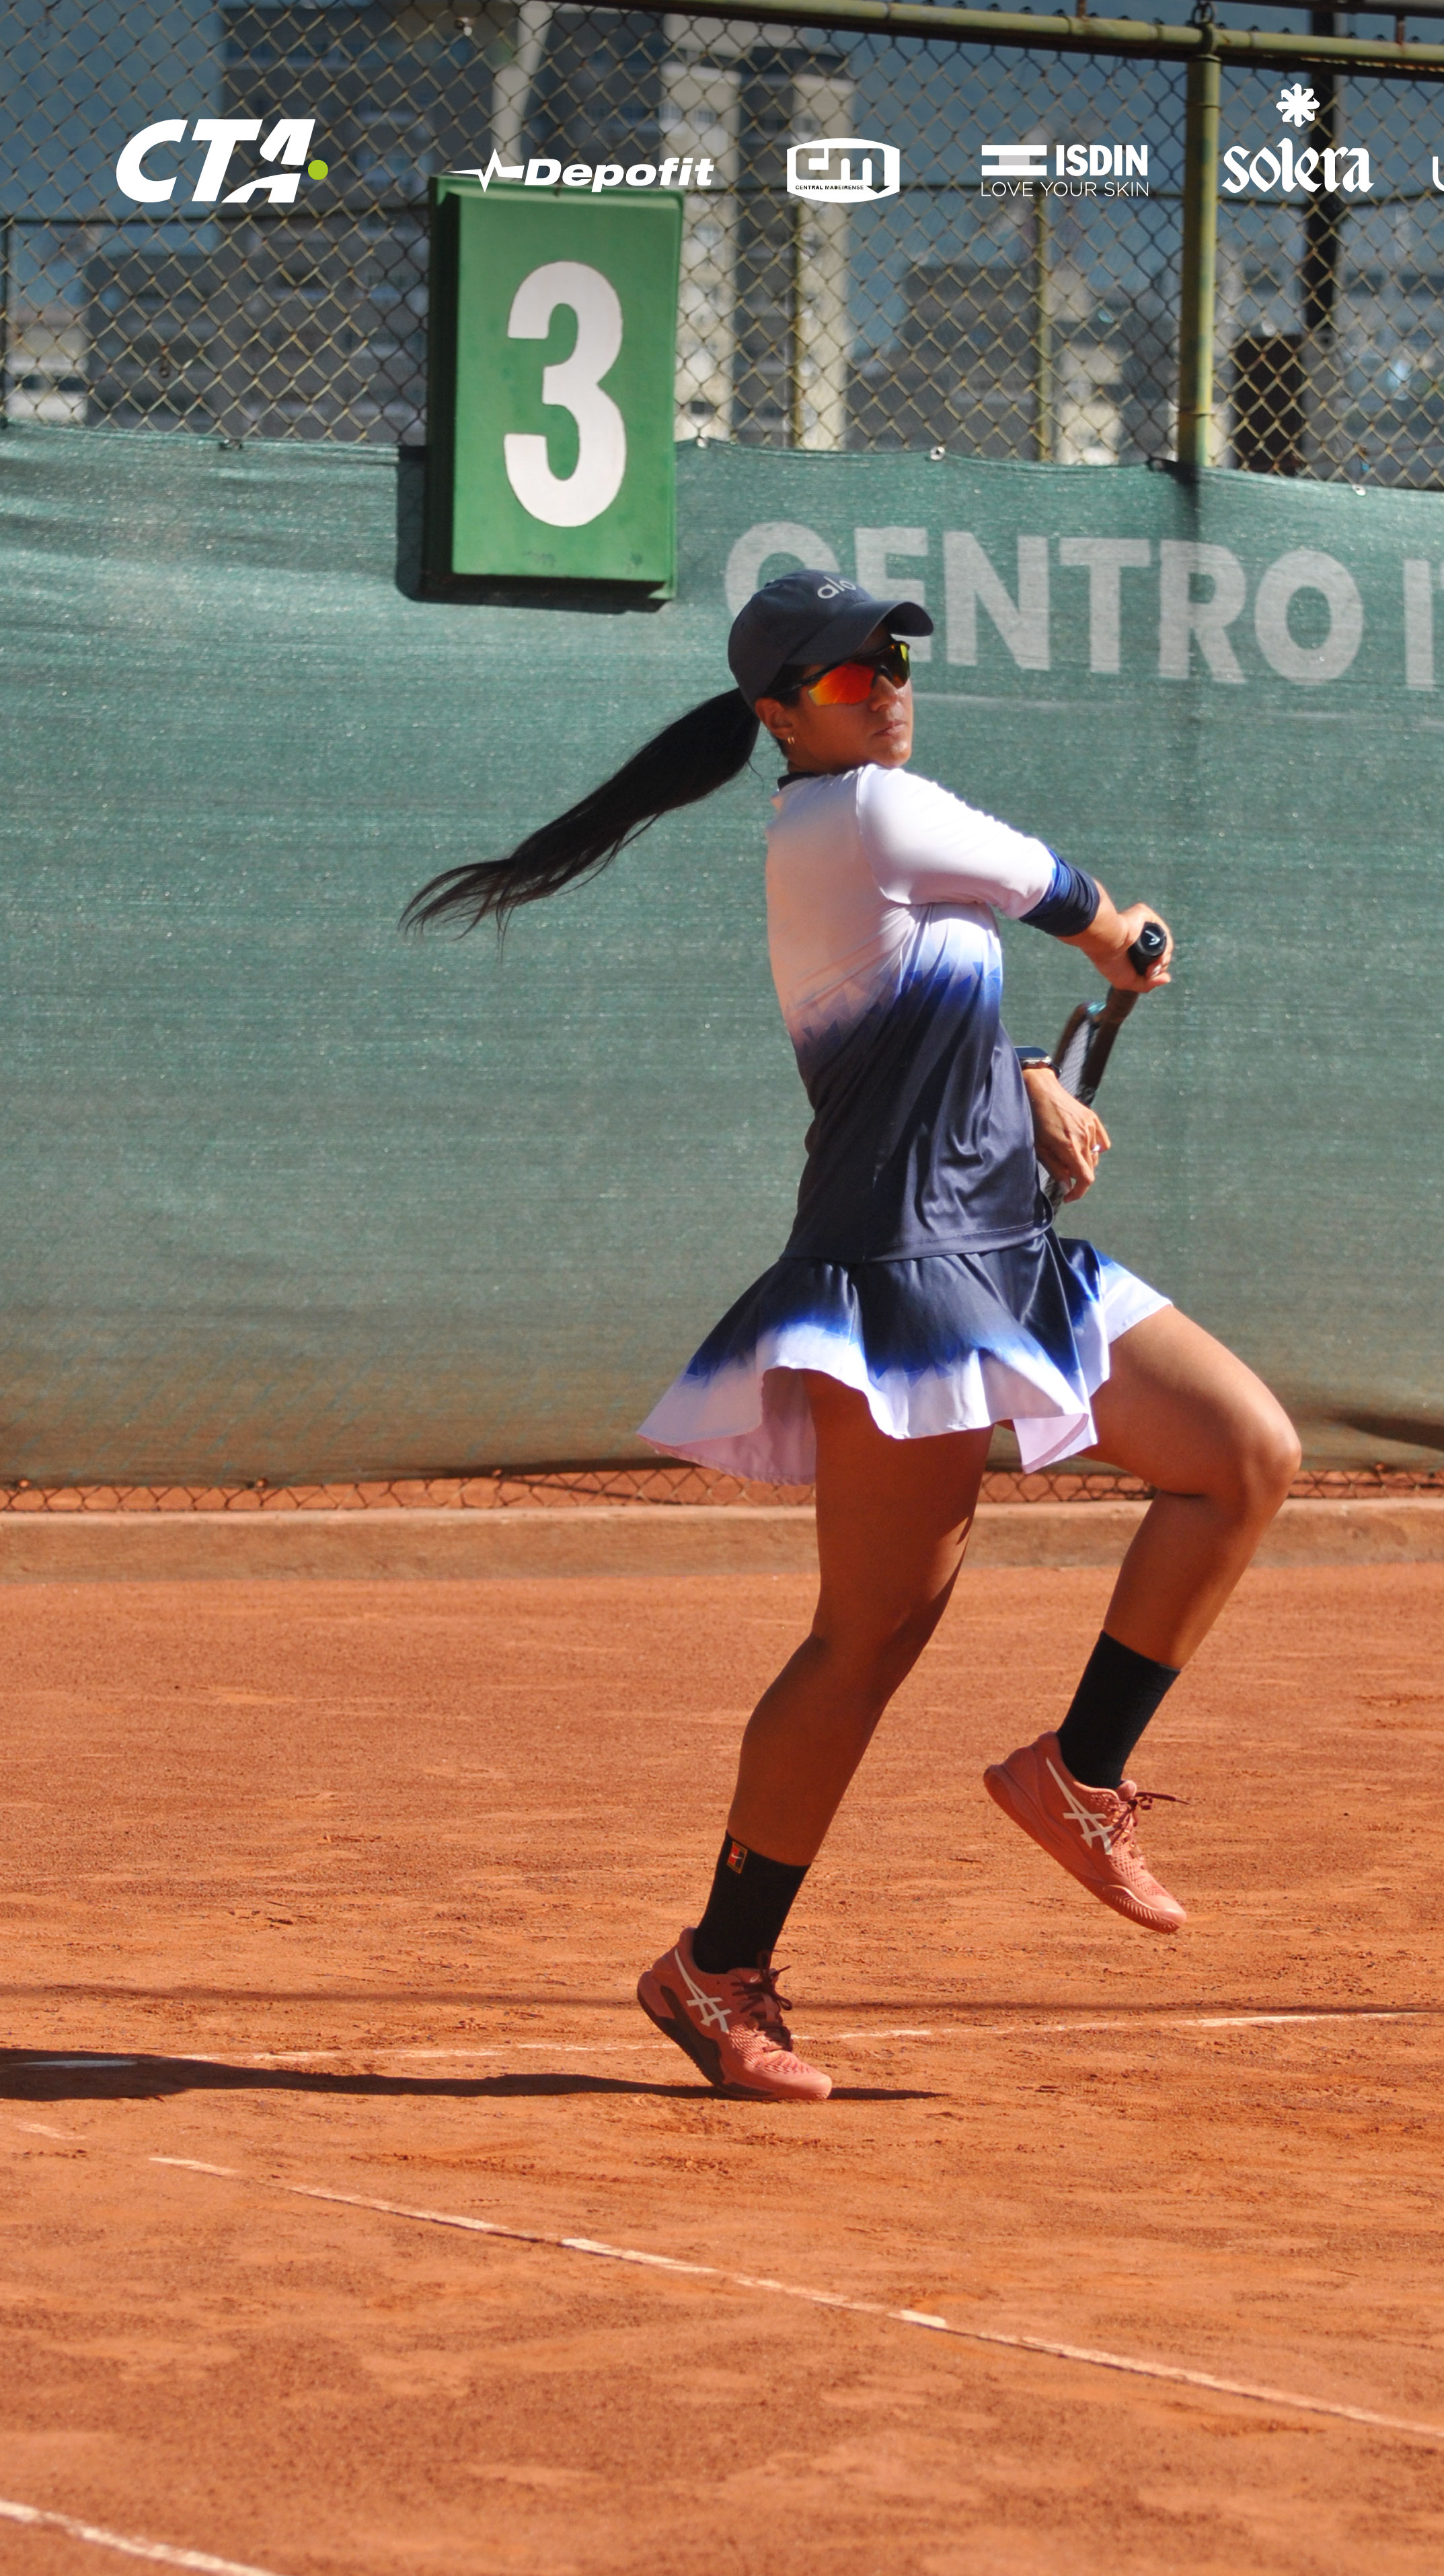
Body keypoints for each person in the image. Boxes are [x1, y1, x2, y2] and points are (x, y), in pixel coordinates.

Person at [404, 568, 1299, 2105]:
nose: (882, 679)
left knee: (1244, 1455)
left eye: (892, 653)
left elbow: (924, 997)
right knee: (870, 1636)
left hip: (1014, 1254)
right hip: (906, 1278)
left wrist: (1028, 1084)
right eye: (840, 672)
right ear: (779, 715)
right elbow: (1072, 896)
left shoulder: (857, 845)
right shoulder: (860, 815)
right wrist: (1126, 938)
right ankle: (716, 1966)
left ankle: (1079, 1773)